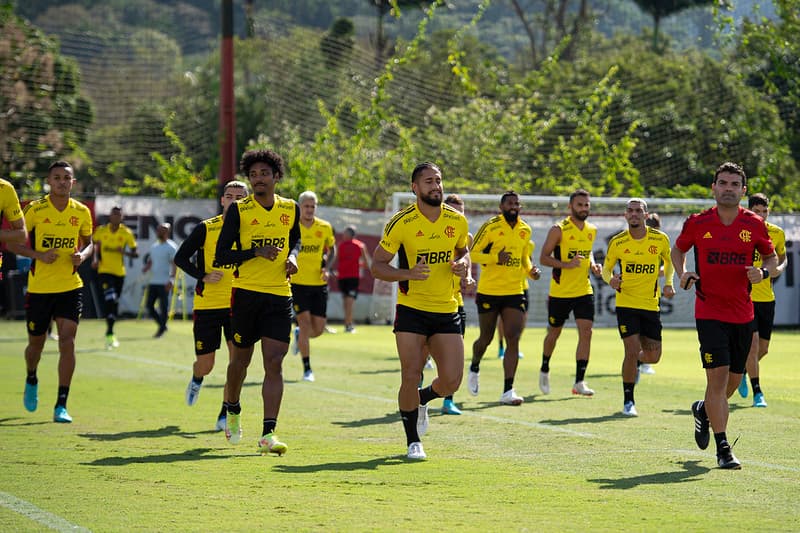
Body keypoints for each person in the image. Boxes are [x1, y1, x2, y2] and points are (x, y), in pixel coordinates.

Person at [672, 161, 776, 469]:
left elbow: (770, 258)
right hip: (709, 311)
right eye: (723, 183)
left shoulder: (754, 224)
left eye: (734, 184)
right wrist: (683, 272)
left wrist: (763, 271)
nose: (728, 188)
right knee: (717, 381)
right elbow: (677, 250)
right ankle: (723, 448)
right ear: (713, 187)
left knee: (731, 384)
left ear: (743, 191)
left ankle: (703, 410)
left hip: (743, 314)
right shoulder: (697, 222)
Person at [371, 162, 470, 460]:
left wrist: (463, 265)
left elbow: (463, 249)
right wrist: (408, 274)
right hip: (412, 309)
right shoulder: (400, 223)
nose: (435, 186)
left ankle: (424, 399)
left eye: (438, 180)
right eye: (428, 181)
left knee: (452, 380)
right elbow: (377, 266)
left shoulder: (457, 220)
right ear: (415, 188)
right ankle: (413, 441)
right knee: (410, 373)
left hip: (446, 308)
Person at [215, 148, 300, 456]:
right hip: (246, 294)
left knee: (274, 363)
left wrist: (292, 257)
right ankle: (233, 408)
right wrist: (256, 252)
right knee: (240, 362)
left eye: (264, 173)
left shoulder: (290, 208)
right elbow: (221, 255)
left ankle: (268, 433)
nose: (258, 179)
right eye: (253, 175)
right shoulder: (239, 210)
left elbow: (296, 240)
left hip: (279, 295)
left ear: (276, 176)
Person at [10, 161, 93, 423]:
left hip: (70, 287)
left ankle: (61, 404)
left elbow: (90, 244)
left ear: (73, 182)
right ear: (49, 181)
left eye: (66, 178)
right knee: (36, 345)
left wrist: (82, 255)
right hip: (40, 289)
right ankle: (31, 376)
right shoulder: (35, 210)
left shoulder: (81, 212)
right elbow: (13, 244)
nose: (61, 182)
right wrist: (38, 255)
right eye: (56, 178)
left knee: (67, 341)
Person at [175, 180, 249, 431]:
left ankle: (226, 411)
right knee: (207, 364)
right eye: (230, 196)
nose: (234, 200)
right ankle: (197, 379)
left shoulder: (251, 230)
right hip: (207, 304)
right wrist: (202, 275)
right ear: (222, 200)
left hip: (238, 304)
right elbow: (180, 258)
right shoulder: (206, 228)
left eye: (240, 196)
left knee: (236, 363)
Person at [602, 198, 675, 416]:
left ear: (645, 214)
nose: (634, 214)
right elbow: (607, 269)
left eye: (638, 210)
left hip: (650, 304)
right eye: (630, 210)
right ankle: (628, 401)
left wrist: (669, 283)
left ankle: (637, 363)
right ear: (625, 215)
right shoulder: (618, 242)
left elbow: (670, 262)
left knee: (653, 357)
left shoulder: (659, 239)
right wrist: (610, 280)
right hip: (626, 304)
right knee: (631, 351)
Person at [467, 191, 540, 405]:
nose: (514, 206)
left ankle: (508, 390)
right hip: (489, 291)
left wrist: (531, 271)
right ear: (501, 207)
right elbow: (472, 254)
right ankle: (475, 365)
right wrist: (494, 258)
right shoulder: (491, 226)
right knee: (486, 338)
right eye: (509, 203)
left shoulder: (525, 229)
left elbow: (524, 258)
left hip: (515, 291)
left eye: (517, 203)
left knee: (513, 337)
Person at [538, 189, 603, 396]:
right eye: (579, 205)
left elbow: (587, 251)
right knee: (554, 333)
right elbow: (543, 258)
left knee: (587, 332)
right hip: (560, 293)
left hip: (584, 290)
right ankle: (545, 367)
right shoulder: (558, 229)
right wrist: (566, 264)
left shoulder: (591, 229)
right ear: (570, 207)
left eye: (586, 205)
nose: (584, 208)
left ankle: (579, 381)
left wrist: (593, 265)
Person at [737, 193, 787, 407]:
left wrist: (780, 268)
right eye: (756, 211)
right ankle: (758, 392)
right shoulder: (740, 232)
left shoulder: (776, 233)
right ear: (749, 211)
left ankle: (738, 372)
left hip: (767, 298)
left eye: (764, 211)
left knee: (763, 349)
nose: (761, 215)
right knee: (754, 346)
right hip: (745, 297)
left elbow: (782, 257)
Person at [291, 190, 336, 382]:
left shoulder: (324, 227)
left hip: (318, 284)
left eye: (312, 206)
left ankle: (300, 336)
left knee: (317, 329)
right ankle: (307, 369)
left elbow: (332, 249)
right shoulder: (292, 228)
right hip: (297, 284)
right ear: (300, 207)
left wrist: (327, 267)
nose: (309, 209)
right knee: (305, 321)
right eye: (306, 206)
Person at [92, 206, 138, 349]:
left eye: (119, 215)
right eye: (114, 214)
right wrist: (95, 259)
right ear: (110, 216)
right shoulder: (101, 231)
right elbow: (94, 246)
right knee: (110, 298)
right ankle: (110, 332)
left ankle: (110, 332)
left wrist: (124, 252)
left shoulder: (126, 233)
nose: (116, 217)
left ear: (121, 217)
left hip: (119, 273)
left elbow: (135, 253)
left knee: (114, 303)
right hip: (104, 271)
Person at [329, 225, 371, 333]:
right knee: (348, 301)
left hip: (345, 277)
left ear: (349, 234)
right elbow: (366, 263)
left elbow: (334, 259)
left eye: (345, 233)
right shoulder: (359, 246)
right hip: (349, 277)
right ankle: (348, 324)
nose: (343, 235)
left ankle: (348, 323)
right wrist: (357, 265)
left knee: (347, 301)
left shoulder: (342, 245)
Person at [638, 212, 664, 375]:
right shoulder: (636, 242)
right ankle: (638, 360)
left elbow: (666, 265)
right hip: (635, 293)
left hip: (653, 294)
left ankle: (643, 361)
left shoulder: (660, 242)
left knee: (650, 330)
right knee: (638, 331)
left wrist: (660, 272)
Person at [142, 223, 177, 338]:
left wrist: (171, 279)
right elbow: (152, 260)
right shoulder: (154, 246)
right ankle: (162, 325)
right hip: (153, 281)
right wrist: (147, 267)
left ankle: (161, 329)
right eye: (158, 230)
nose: (158, 232)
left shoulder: (171, 247)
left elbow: (174, 264)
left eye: (161, 230)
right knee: (149, 306)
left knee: (163, 307)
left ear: (167, 232)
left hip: (165, 282)